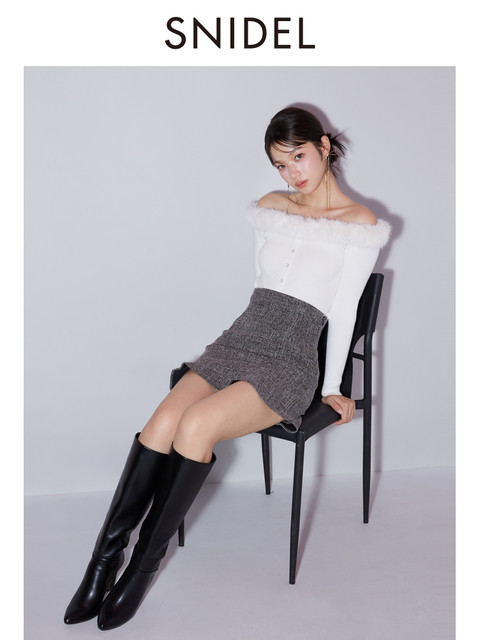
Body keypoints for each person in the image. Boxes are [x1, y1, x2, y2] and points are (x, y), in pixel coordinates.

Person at [64, 106, 391, 630]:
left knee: (196, 426)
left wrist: (332, 386)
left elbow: (345, 311)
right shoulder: (271, 207)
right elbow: (263, 283)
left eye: (298, 157)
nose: (292, 173)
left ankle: (142, 568)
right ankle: (102, 562)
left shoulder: (359, 224)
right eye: (280, 164)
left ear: (324, 146)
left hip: (290, 356)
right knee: (161, 423)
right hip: (241, 337)